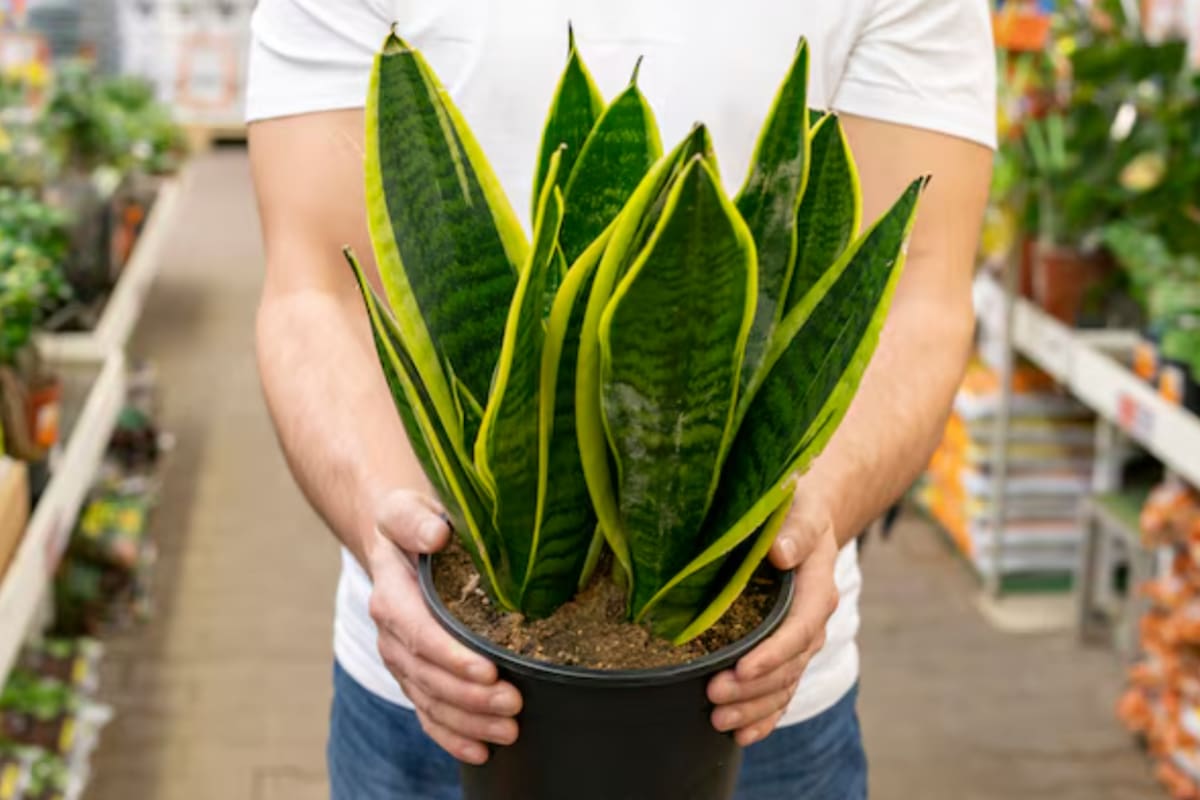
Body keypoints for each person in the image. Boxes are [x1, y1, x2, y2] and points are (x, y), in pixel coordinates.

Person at [246, 1, 994, 797]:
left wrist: (816, 511)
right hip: (431, 679)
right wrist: (383, 521)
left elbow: (920, 289)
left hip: (757, 701)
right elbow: (311, 288)